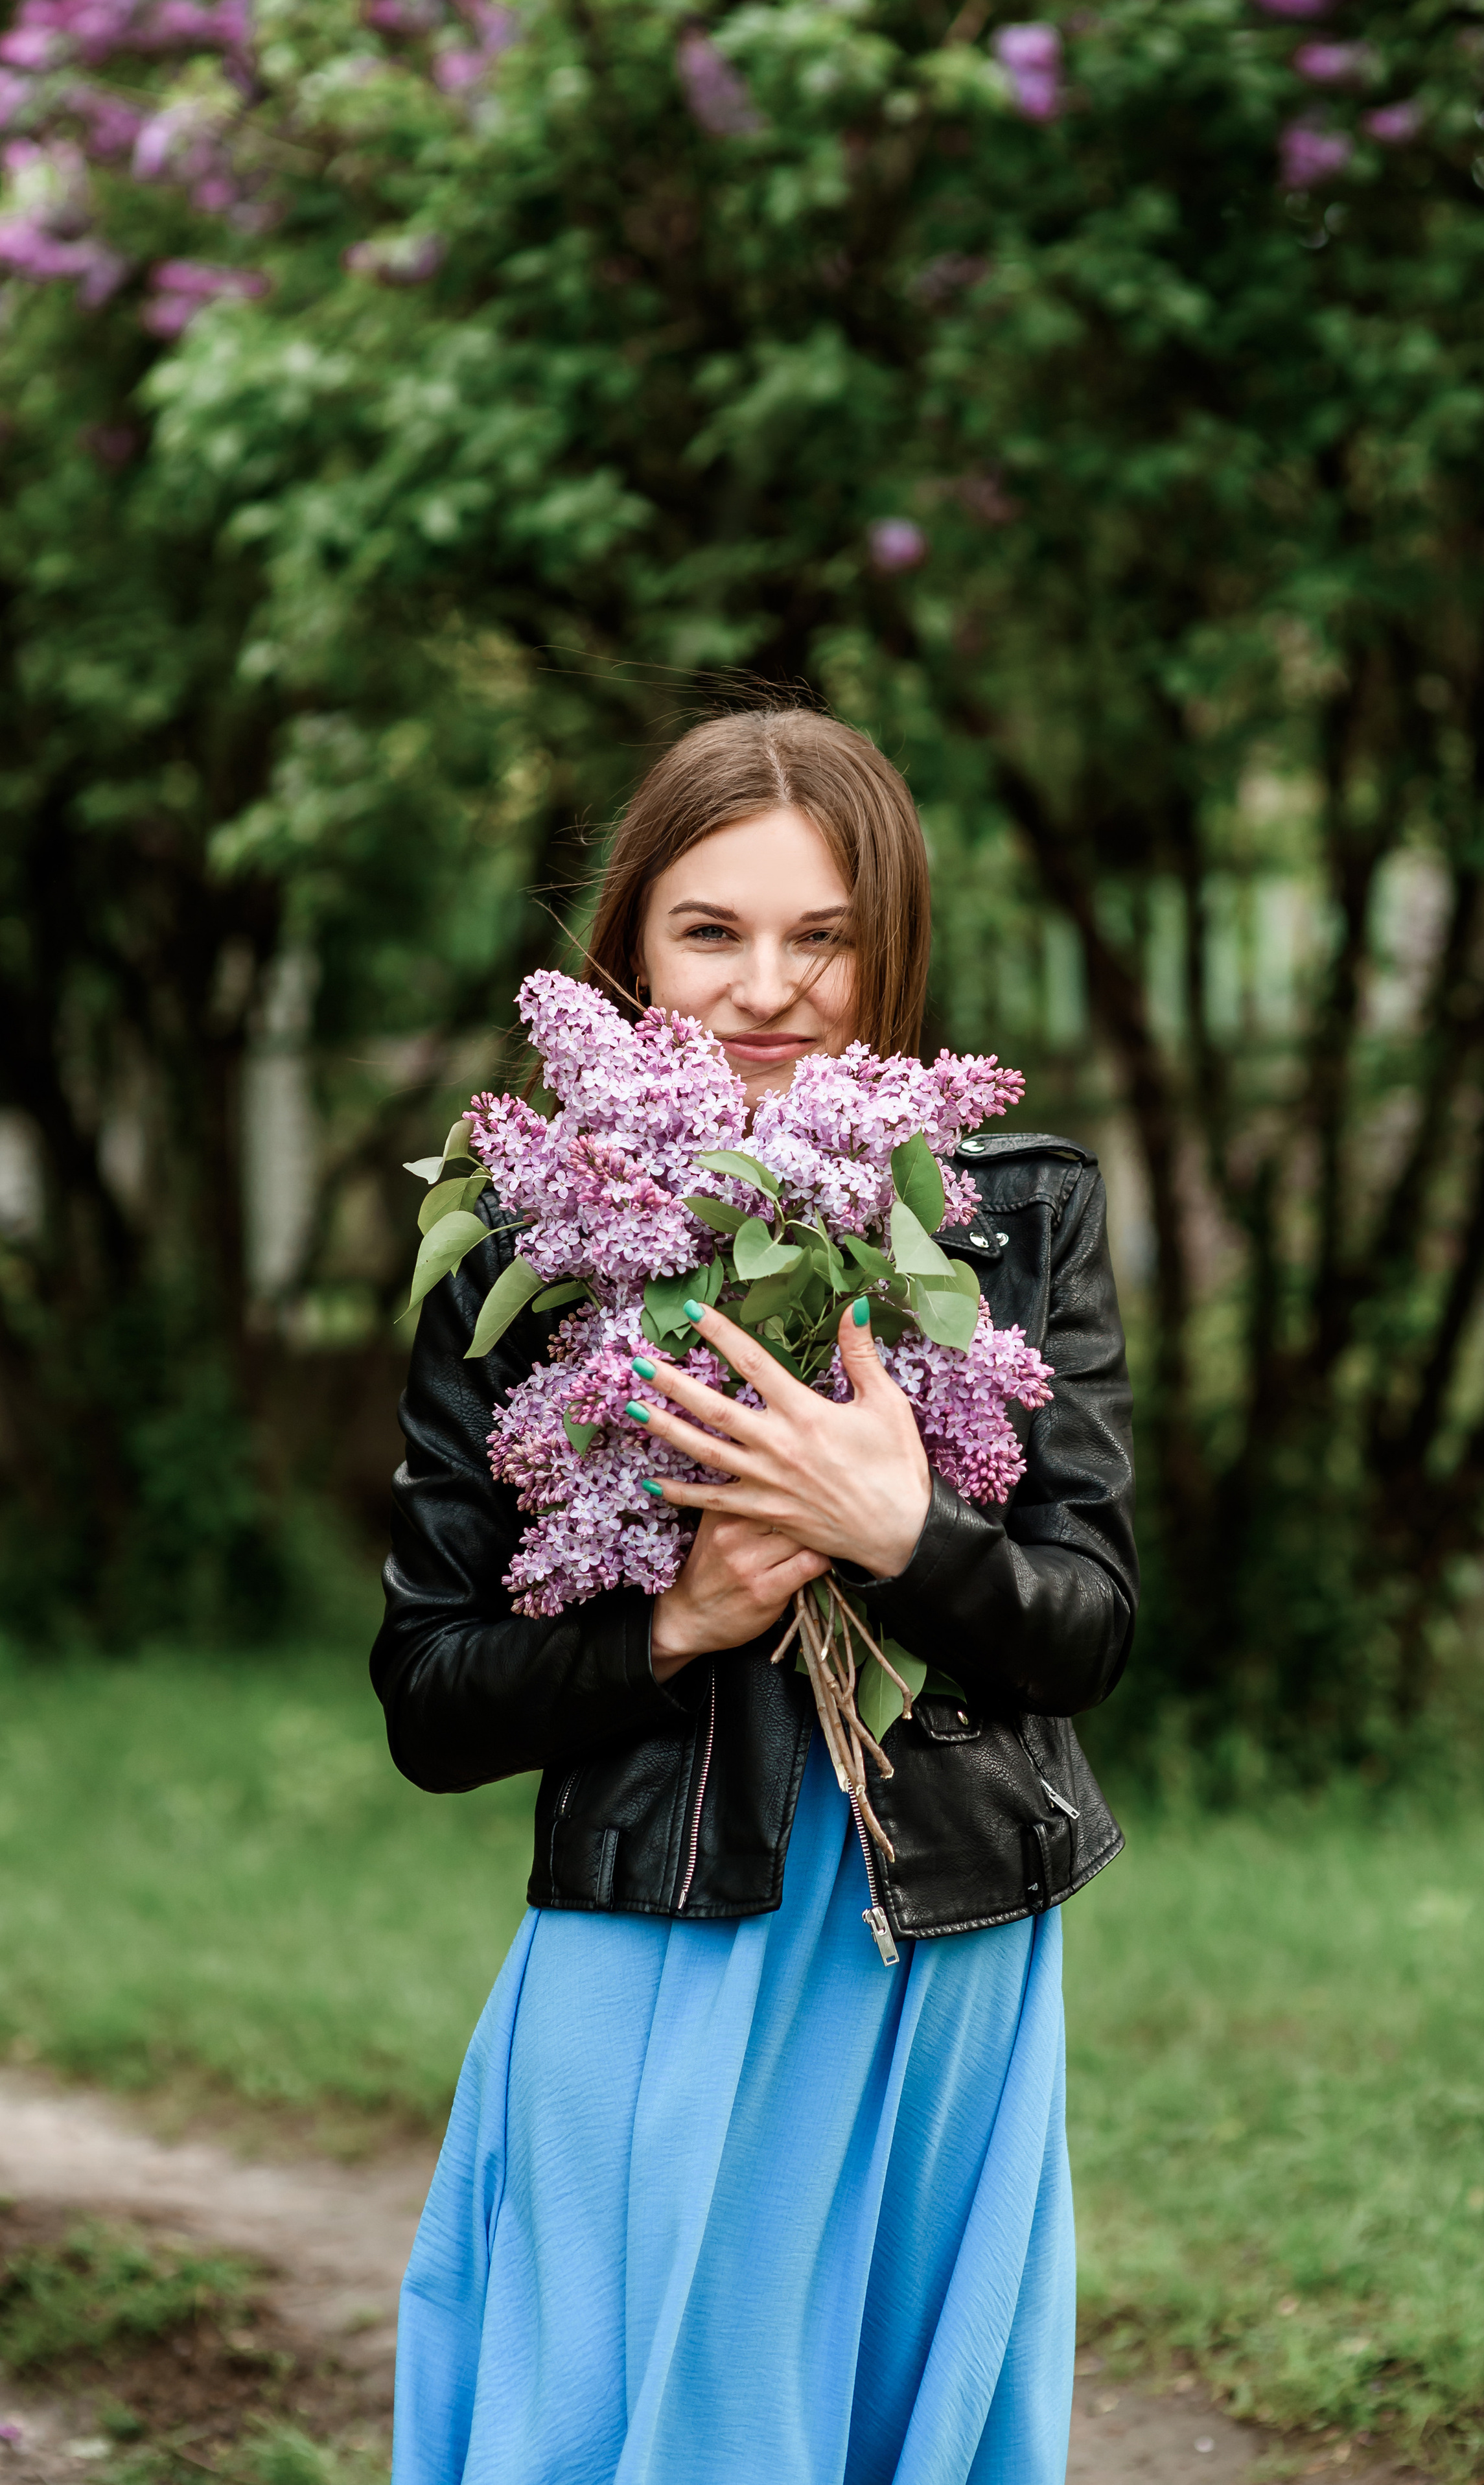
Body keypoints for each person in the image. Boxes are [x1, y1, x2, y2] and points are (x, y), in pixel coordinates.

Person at [371, 706, 1138, 2485]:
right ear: (634, 943)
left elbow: (1089, 1624)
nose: (769, 988)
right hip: (656, 1940)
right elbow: (429, 1691)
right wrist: (672, 1621)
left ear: (893, 943)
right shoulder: (524, 1236)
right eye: (711, 931)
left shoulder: (1015, 1211)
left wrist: (904, 1533)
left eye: (825, 935)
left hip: (936, 1955)